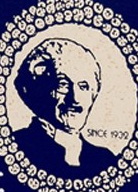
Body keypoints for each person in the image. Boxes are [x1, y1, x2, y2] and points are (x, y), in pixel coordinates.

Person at [13, 38, 114, 177]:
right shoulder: (16, 147)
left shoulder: (104, 160)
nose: (75, 99)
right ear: (37, 91)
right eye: (63, 85)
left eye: (83, 87)